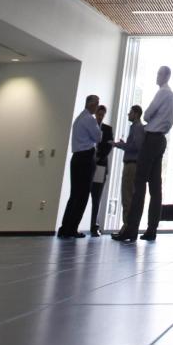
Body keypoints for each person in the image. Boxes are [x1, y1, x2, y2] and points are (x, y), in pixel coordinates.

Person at [112, 66, 173, 243]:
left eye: (159, 74)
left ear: (166, 76)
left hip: (152, 139)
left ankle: (131, 230)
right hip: (161, 140)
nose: (157, 76)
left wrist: (150, 117)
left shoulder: (162, 93)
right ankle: (151, 229)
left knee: (139, 185)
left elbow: (147, 115)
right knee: (156, 187)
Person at [57, 93, 102, 239]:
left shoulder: (78, 119)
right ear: (91, 104)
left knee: (74, 194)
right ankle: (72, 228)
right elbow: (98, 137)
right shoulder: (89, 119)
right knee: (82, 195)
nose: (97, 107)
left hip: (76, 158)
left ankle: (65, 227)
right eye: (96, 104)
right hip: (86, 158)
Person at [113, 104, 145, 228]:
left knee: (127, 196)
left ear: (136, 114)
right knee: (130, 195)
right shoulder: (137, 128)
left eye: (130, 112)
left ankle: (127, 226)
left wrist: (120, 145)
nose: (128, 114)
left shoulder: (136, 128)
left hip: (131, 165)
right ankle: (129, 226)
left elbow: (136, 146)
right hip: (133, 165)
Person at [88, 103, 114, 236]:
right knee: (83, 195)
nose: (100, 117)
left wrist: (99, 157)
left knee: (96, 196)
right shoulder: (89, 126)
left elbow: (109, 146)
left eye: (102, 115)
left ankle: (94, 225)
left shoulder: (107, 129)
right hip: (88, 164)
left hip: (100, 165)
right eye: (99, 114)